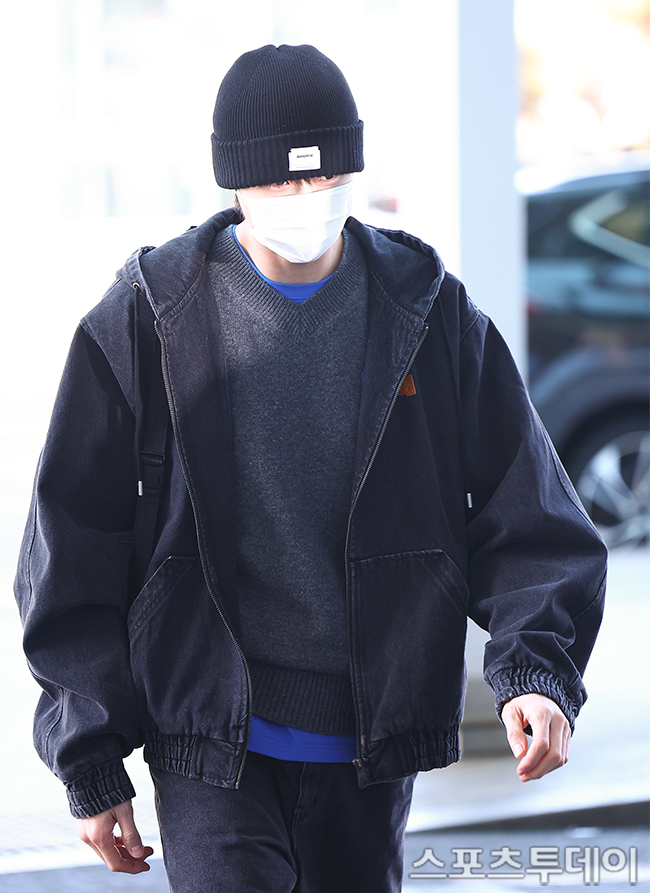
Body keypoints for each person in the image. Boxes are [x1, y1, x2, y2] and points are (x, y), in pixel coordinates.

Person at [14, 43, 607, 893]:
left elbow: (533, 516)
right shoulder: (148, 319)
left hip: (370, 742)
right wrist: (90, 755)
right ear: (234, 179)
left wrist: (535, 672)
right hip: (209, 739)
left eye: (325, 175)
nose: (305, 196)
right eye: (280, 179)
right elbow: (69, 544)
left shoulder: (427, 313)